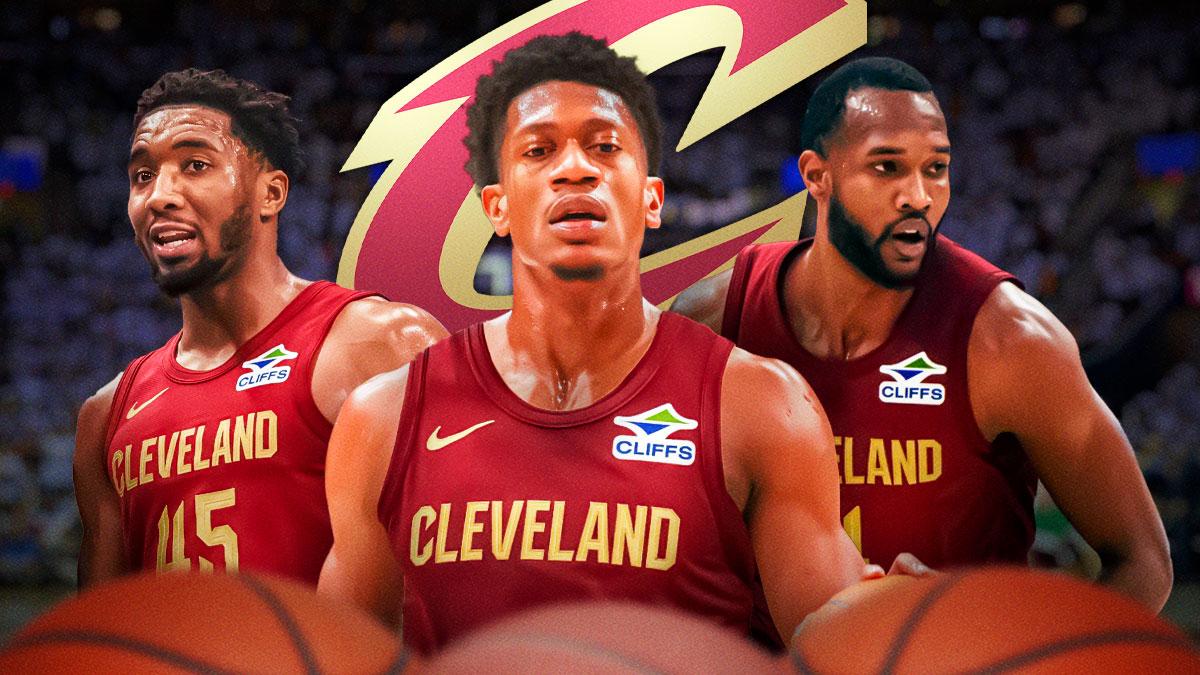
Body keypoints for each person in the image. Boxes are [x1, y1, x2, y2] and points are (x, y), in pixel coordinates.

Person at [318, 33, 924, 656]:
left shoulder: (760, 405)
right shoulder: (385, 418)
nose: (575, 167)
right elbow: (343, 655)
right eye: (539, 150)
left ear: (651, 200)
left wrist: (901, 623)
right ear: (496, 207)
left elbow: (837, 638)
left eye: (605, 147)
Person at [671, 57, 1172, 611]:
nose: (919, 196)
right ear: (817, 176)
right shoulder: (714, 319)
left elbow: (1143, 561)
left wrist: (996, 644)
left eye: (936, 168)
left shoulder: (1011, 340)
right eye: (887, 168)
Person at [72, 69, 448, 589]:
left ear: (271, 193)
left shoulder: (382, 346)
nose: (159, 196)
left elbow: (470, 591)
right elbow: (101, 641)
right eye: (142, 176)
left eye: (195, 165)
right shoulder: (106, 417)